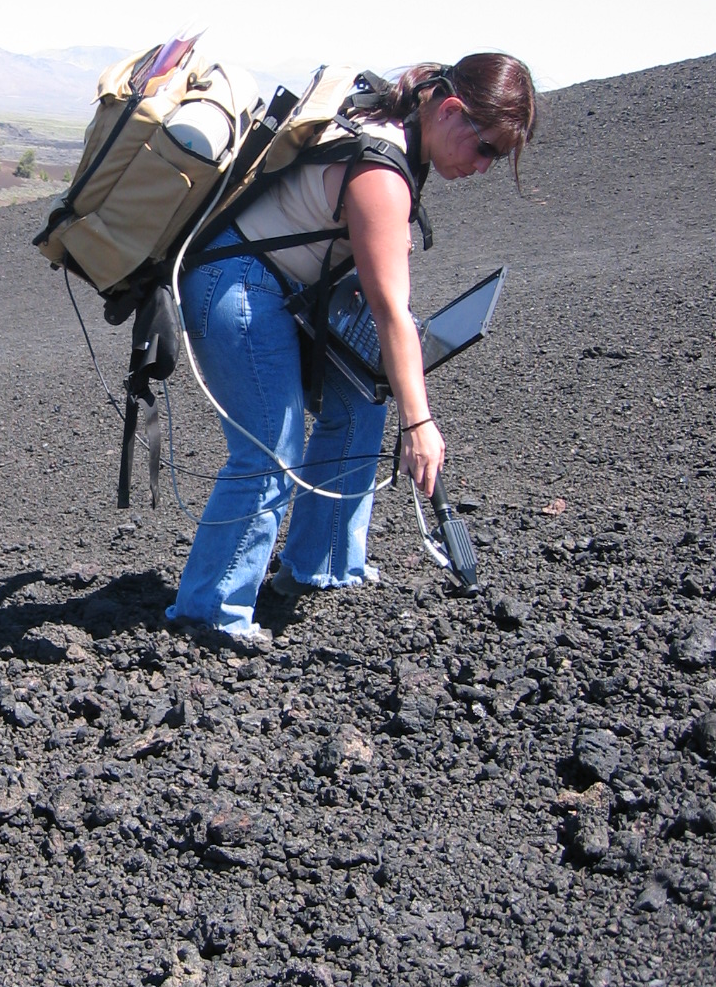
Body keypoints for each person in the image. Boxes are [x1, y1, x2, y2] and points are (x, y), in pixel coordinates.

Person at [166, 54, 538, 640]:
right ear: (449, 110)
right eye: (486, 147)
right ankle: (209, 614)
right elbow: (390, 309)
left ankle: (323, 566)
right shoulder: (383, 173)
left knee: (364, 398)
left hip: (287, 286)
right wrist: (421, 423)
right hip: (236, 281)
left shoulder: (403, 149)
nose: (484, 166)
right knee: (271, 449)